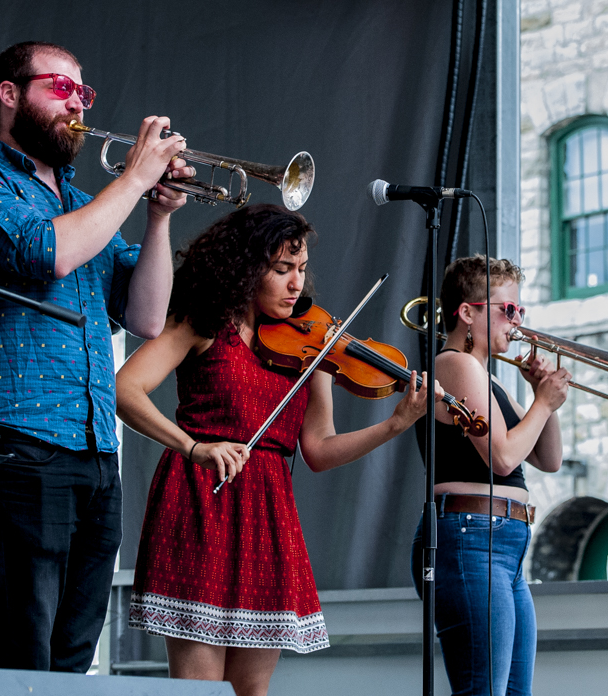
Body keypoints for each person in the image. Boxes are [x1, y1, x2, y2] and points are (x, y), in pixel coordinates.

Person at [0, 40, 193, 671]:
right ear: (9, 94)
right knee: (25, 641)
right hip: (16, 441)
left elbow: (146, 316)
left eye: (84, 92)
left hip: (95, 449)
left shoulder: (88, 206)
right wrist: (134, 179)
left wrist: (158, 215)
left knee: (75, 650)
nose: (76, 103)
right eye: (60, 88)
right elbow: (45, 253)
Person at [116, 204, 441, 696]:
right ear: (247, 268)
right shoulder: (202, 323)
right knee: (197, 691)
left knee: (253, 693)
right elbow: (125, 389)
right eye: (282, 269)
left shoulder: (311, 348)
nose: (296, 284)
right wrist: (192, 446)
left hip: (268, 511)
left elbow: (319, 449)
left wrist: (397, 422)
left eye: (302, 270)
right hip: (202, 498)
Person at [411, 255, 571, 696]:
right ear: (467, 312)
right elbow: (501, 457)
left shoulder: (487, 380)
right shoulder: (454, 365)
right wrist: (543, 403)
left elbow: (548, 457)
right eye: (509, 310)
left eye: (519, 311)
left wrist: (542, 400)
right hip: (471, 537)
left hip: (502, 545)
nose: (518, 322)